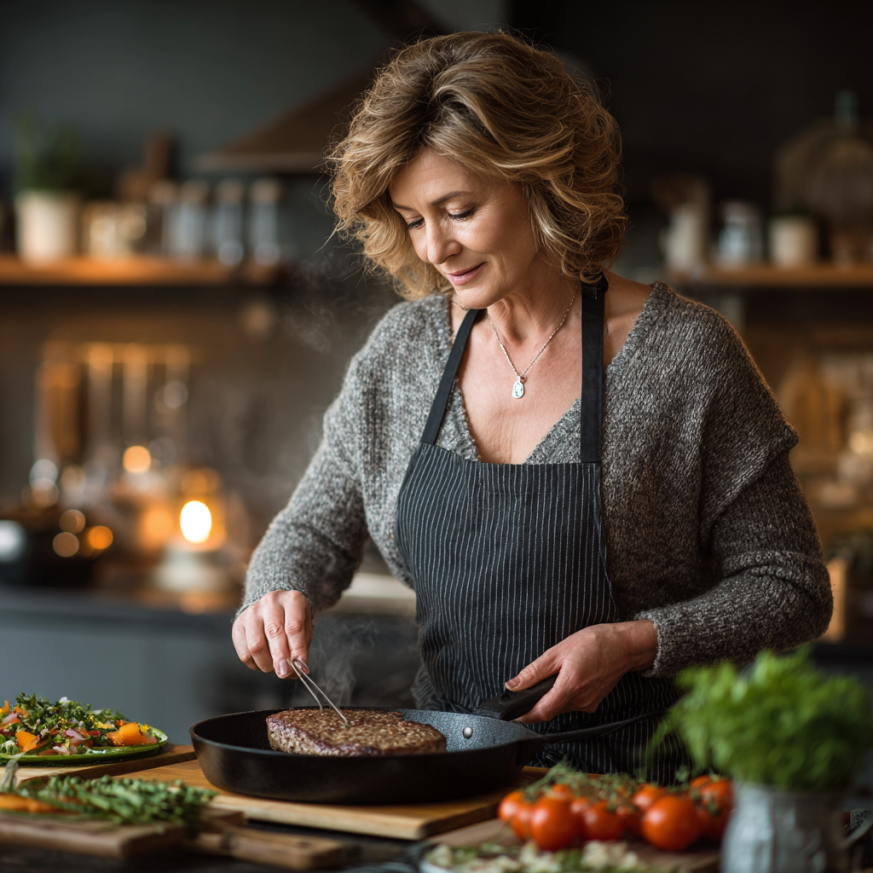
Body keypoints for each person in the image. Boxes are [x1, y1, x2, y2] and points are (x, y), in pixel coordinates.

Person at [232, 31, 832, 777]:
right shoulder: (402, 352)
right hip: (446, 777)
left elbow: (790, 586)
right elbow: (313, 529)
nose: (434, 249)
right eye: (413, 220)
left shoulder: (685, 355)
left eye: (458, 210)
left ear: (541, 181)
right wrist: (275, 588)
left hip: (638, 792)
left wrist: (635, 642)